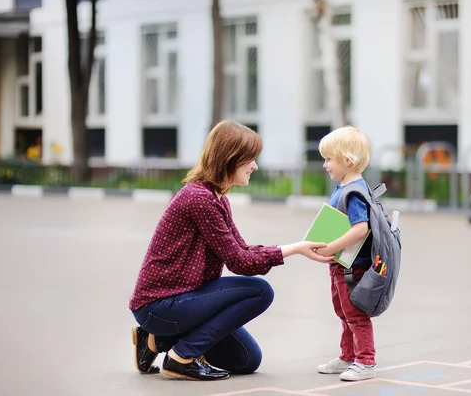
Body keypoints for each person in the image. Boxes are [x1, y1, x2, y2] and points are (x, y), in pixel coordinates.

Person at [129, 120, 333, 381]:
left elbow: (242, 249)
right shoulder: (199, 199)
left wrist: (296, 247)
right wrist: (293, 250)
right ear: (231, 158)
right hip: (160, 304)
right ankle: (182, 357)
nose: (255, 166)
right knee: (259, 291)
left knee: (247, 359)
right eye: (251, 159)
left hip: (185, 299)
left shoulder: (217, 198)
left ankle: (155, 341)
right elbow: (240, 262)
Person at [314, 126, 377, 381]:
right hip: (341, 264)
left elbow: (360, 229)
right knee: (343, 312)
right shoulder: (344, 186)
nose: (325, 165)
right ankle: (348, 356)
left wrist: (331, 247)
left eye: (329, 159)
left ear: (347, 160)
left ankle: (366, 361)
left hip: (352, 267)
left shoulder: (353, 191)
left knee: (355, 314)